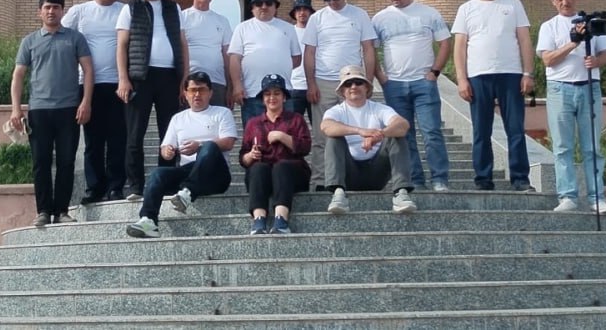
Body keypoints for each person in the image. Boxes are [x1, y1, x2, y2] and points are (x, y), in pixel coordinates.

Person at [9, 0, 93, 227]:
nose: (51, 11)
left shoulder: (75, 38)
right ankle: (43, 211)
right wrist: (16, 109)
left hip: (69, 109)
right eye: (47, 7)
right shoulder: (29, 41)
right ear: (40, 12)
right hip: (39, 110)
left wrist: (86, 101)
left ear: (62, 11)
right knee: (41, 162)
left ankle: (62, 211)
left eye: (56, 7)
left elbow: (88, 70)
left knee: (67, 161)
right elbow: (18, 75)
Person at [452, 0, 535, 192]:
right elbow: (460, 46)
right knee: (481, 130)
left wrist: (528, 73)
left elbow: (524, 40)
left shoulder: (513, 4)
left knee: (515, 129)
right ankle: (483, 178)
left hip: (510, 73)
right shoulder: (466, 9)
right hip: (478, 75)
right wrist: (462, 79)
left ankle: (520, 178)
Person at [126, 70, 238, 238]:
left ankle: (188, 192)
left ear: (210, 93)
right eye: (193, 90)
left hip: (215, 174)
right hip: (188, 172)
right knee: (158, 173)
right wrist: (168, 152)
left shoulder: (222, 113)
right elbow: (166, 148)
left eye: (202, 90)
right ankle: (148, 220)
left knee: (209, 147)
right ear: (185, 94)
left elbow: (228, 142)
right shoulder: (178, 118)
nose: (197, 94)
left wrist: (199, 146)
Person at [536, 0, 606, 214]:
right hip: (560, 88)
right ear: (553, 1)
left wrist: (596, 61)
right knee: (562, 146)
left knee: (592, 146)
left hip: (589, 87)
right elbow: (548, 59)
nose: (565, 2)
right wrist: (574, 43)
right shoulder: (549, 27)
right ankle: (567, 196)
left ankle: (597, 197)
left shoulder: (590, 23)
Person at [372, 0, 452, 192]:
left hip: (423, 83)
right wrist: (381, 77)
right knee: (404, 135)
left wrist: (434, 72)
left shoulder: (429, 13)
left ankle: (439, 179)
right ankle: (415, 179)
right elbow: (370, 49)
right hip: (394, 85)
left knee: (431, 132)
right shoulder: (379, 18)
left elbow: (445, 43)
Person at [116, 0, 189, 200]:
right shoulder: (131, 8)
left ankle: (165, 183)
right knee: (135, 134)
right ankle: (135, 185)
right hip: (140, 77)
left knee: (169, 133)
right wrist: (123, 79)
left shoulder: (173, 8)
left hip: (169, 76)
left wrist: (184, 78)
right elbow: (121, 45)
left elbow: (182, 44)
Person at [61, 0, 128, 202]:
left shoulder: (124, 10)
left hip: (118, 84)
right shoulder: (80, 12)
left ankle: (116, 186)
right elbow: (62, 37)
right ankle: (94, 187)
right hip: (88, 85)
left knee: (118, 137)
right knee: (93, 140)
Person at [302, 0, 377, 186]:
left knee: (354, 130)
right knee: (321, 135)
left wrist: (368, 81)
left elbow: (368, 49)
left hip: (352, 81)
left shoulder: (359, 15)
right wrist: (311, 83)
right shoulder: (317, 18)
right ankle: (320, 180)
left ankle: (351, 178)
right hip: (323, 81)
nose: (332, 2)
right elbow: (309, 52)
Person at [320, 64, 417, 215]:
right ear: (343, 91)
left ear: (366, 87)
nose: (353, 86)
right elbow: (326, 127)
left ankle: (401, 193)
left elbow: (403, 125)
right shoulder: (336, 111)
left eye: (358, 82)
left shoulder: (379, 109)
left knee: (396, 136)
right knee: (334, 138)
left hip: (376, 171)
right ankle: (338, 194)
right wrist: (360, 131)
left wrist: (380, 134)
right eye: (348, 84)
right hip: (349, 173)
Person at [239, 73, 311, 235]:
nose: (272, 98)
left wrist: (282, 137)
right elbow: (243, 158)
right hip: (263, 177)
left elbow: (305, 147)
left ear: (284, 97)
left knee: (282, 166)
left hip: (292, 173)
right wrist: (250, 155)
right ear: (263, 99)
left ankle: (281, 219)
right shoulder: (253, 123)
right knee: (257, 168)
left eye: (277, 93)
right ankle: (259, 219)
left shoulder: (296, 119)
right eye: (268, 94)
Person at [228, 0, 301, 123]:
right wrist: (237, 85)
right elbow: (234, 59)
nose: (263, 7)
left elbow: (296, 58)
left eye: (268, 3)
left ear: (275, 6)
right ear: (252, 7)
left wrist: (280, 65)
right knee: (254, 135)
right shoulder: (242, 28)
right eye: (258, 3)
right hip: (252, 93)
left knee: (285, 133)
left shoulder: (288, 29)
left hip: (283, 94)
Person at [180, 0, 235, 106]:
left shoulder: (222, 21)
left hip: (217, 83)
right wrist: (181, 82)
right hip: (190, 83)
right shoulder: (182, 17)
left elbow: (227, 55)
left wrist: (230, 86)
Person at [287, 0, 314, 120]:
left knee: (318, 125)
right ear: (294, 13)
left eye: (305, 9)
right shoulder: (288, 32)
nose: (302, 13)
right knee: (293, 126)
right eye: (298, 9)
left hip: (314, 85)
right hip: (294, 86)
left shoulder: (317, 32)